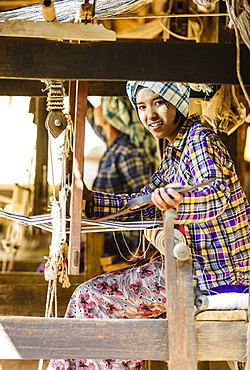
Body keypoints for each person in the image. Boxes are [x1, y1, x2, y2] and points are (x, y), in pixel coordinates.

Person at [47, 81, 250, 370]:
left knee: (91, 298)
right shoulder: (174, 152)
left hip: (212, 275)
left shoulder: (200, 139)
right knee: (90, 298)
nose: (150, 114)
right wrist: (88, 203)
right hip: (189, 270)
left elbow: (216, 196)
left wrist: (175, 202)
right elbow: (140, 203)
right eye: (142, 106)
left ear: (177, 103)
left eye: (159, 103)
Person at [86, 96, 159, 259]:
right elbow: (88, 112)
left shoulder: (127, 153)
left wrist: (138, 248)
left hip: (123, 246)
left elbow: (144, 204)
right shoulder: (113, 146)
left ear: (110, 115)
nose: (97, 108)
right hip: (108, 237)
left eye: (103, 104)